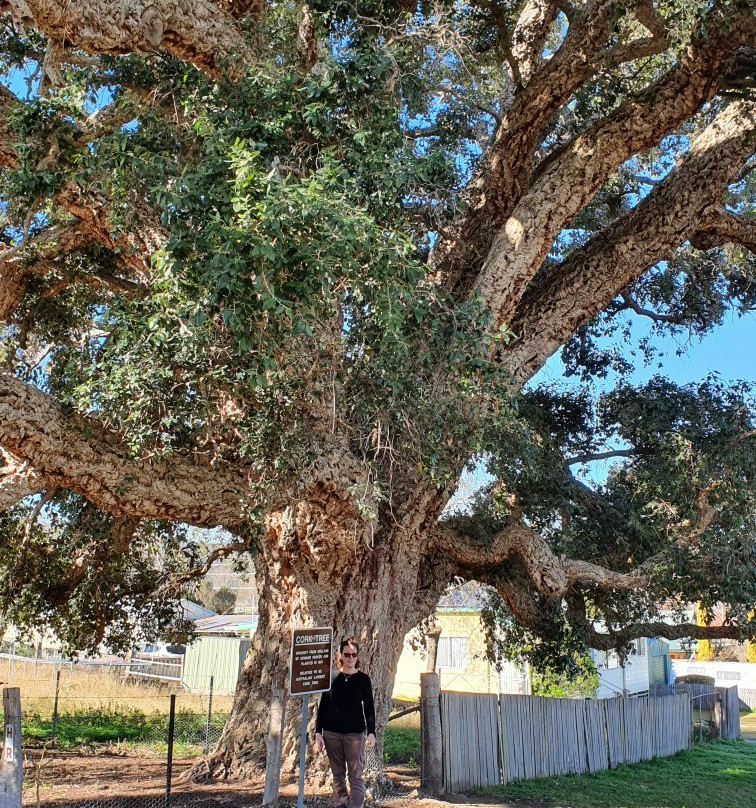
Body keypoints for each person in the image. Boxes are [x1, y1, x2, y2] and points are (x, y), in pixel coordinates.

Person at [315, 637, 376, 808]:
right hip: (331, 733)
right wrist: (318, 732)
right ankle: (340, 805)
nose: (350, 658)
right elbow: (323, 706)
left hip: (355, 735)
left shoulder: (364, 680)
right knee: (338, 776)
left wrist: (371, 732)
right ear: (341, 655)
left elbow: (369, 708)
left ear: (357, 656)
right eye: (347, 654)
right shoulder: (332, 677)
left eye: (353, 654)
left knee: (355, 777)